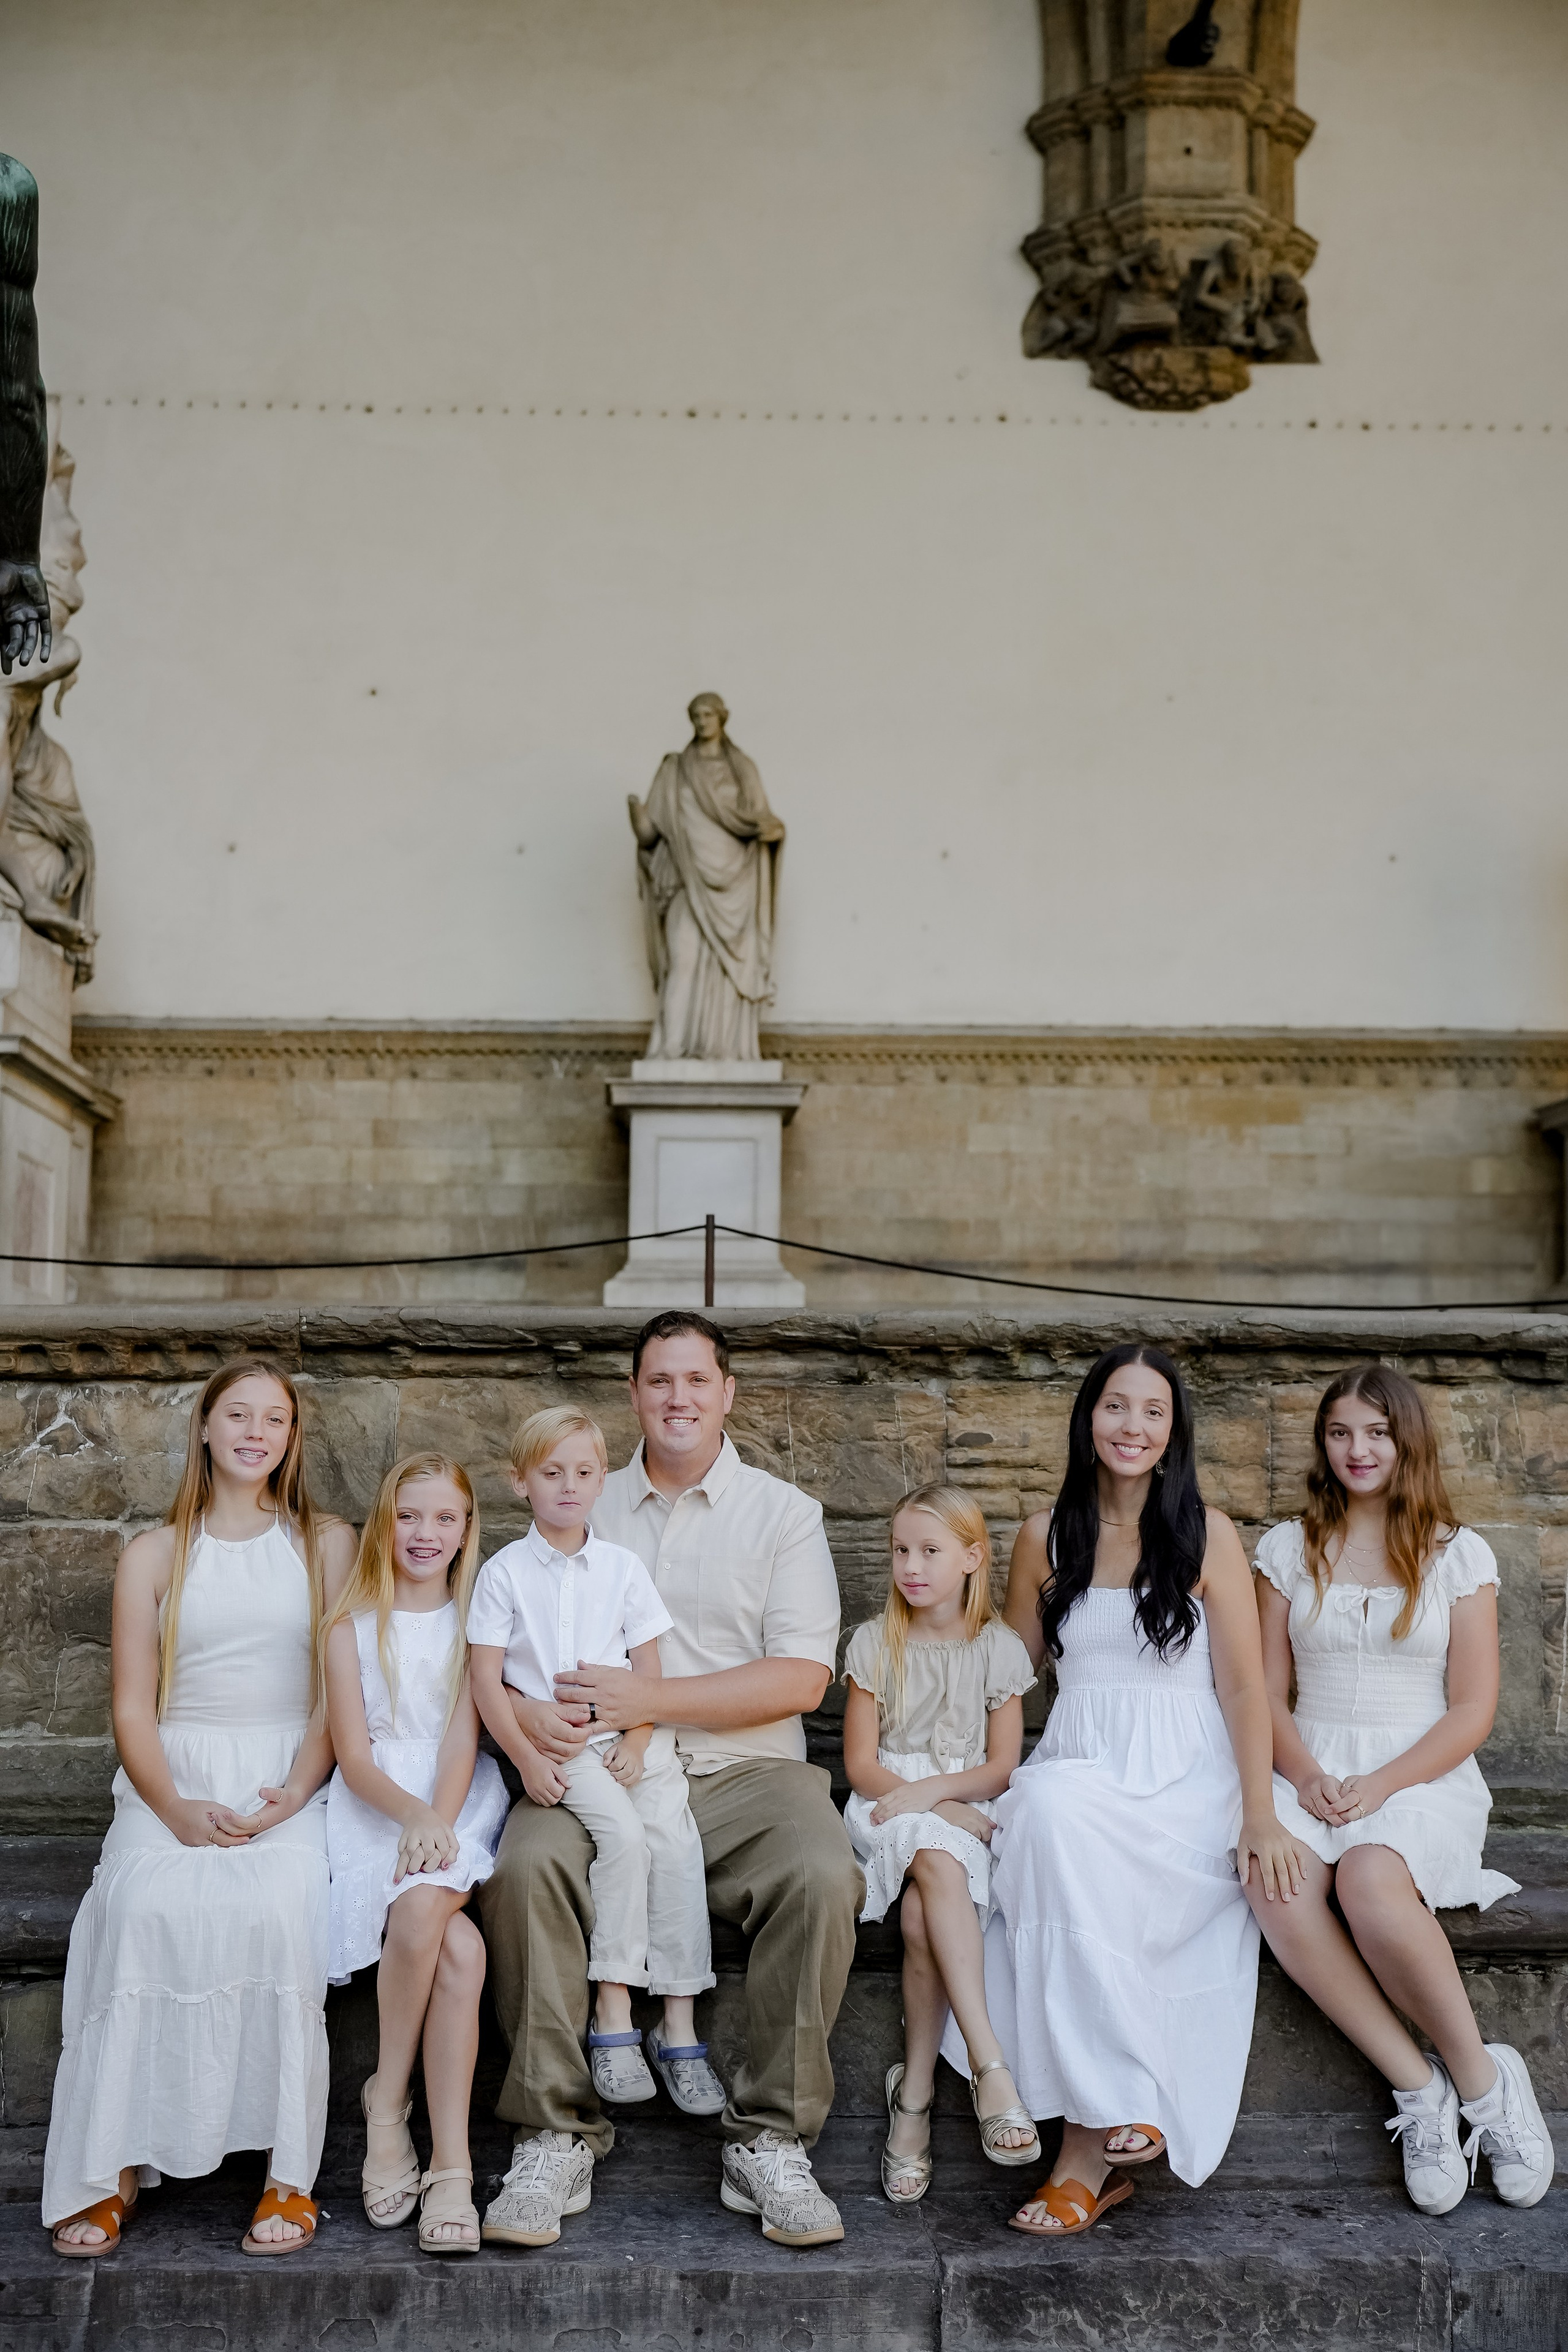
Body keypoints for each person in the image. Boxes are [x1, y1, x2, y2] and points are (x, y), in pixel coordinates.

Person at [478, 1311, 861, 2250]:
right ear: (635, 1395)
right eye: (659, 1381)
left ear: (728, 1393)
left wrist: (649, 1696)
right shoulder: (577, 1495)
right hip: (593, 1764)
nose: (678, 1398)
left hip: (744, 1772)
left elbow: (802, 1678)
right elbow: (505, 1646)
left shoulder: (785, 1514)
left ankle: (769, 2139)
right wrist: (527, 1719)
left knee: (820, 1872)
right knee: (525, 1870)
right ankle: (554, 2133)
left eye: (697, 1380)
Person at [991, 1343, 1306, 2236]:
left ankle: (1081, 2160)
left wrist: (1259, 1814)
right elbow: (1009, 1680)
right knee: (1049, 1817)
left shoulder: (1206, 1533)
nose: (1133, 1426)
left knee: (1079, 1848)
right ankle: (1123, 2099)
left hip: (1184, 1774)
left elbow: (1247, 1688)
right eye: (1116, 1407)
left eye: (1153, 1412)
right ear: (1088, 1421)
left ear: (1173, 1433)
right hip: (1081, 1759)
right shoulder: (1042, 1537)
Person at [43, 1360, 355, 2257]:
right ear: (208, 1431)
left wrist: (297, 1790)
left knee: (276, 1912)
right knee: (141, 1909)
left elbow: (339, 1697)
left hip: (286, 1770)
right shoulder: (153, 1552)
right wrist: (174, 1808)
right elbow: (132, 1708)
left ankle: (287, 2176)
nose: (257, 1432)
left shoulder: (325, 1544)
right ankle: (114, 2171)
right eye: (239, 1416)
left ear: (292, 1439)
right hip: (172, 1773)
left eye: (276, 1420)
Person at [1251, 1363, 1555, 2213]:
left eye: (1377, 1432)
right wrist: (1308, 1775)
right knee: (1273, 1884)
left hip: (1420, 1774)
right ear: (1323, 1443)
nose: (1358, 1449)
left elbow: (1473, 1708)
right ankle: (1418, 2088)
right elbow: (1262, 1695)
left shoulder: (1460, 1556)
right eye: (1341, 1432)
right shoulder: (1286, 1548)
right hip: (1308, 1771)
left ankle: (1487, 2085)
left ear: (1406, 1440)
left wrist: (1381, 1785)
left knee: (1372, 1883)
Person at [469, 1409, 721, 2160]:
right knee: (621, 1838)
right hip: (566, 1746)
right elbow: (485, 1681)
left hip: (633, 1740)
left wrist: (642, 1741)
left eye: (583, 1473)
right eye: (551, 1474)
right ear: (522, 1483)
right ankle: (613, 2014)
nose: (569, 1487)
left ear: (600, 1478)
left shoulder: (620, 1568)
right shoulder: (503, 1573)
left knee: (674, 1844)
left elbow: (650, 1670)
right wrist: (525, 1758)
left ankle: (677, 2023)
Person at [322, 1452, 507, 2256]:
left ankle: (391, 2105)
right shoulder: (349, 1626)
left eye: (444, 1518)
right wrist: (407, 1815)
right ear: (383, 1525)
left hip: (456, 1795)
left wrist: (437, 1815)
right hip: (374, 1807)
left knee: (431, 1901)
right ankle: (444, 2158)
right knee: (460, 1956)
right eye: (408, 1516)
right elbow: (355, 1758)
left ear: (467, 1530)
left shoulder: (478, 1619)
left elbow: (464, 1734)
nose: (424, 1533)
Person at [841, 1485, 1039, 2204]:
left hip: (959, 1809)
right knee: (929, 1846)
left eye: (929, 1551)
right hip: (886, 1807)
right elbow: (862, 1765)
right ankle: (991, 2066)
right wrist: (925, 1801)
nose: (911, 1566)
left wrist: (941, 1799)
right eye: (900, 1550)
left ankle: (914, 2096)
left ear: (971, 1559)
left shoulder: (997, 1650)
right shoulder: (875, 1642)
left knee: (926, 1913)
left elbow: (1000, 1767)